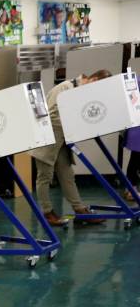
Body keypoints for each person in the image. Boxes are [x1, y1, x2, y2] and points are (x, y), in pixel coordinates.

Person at [32, 70, 112, 226]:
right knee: (45, 176)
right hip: (47, 139)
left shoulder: (78, 91)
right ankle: (47, 213)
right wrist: (75, 127)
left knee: (67, 174)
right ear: (93, 79)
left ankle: (80, 211)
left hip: (61, 141)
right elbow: (52, 115)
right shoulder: (64, 88)